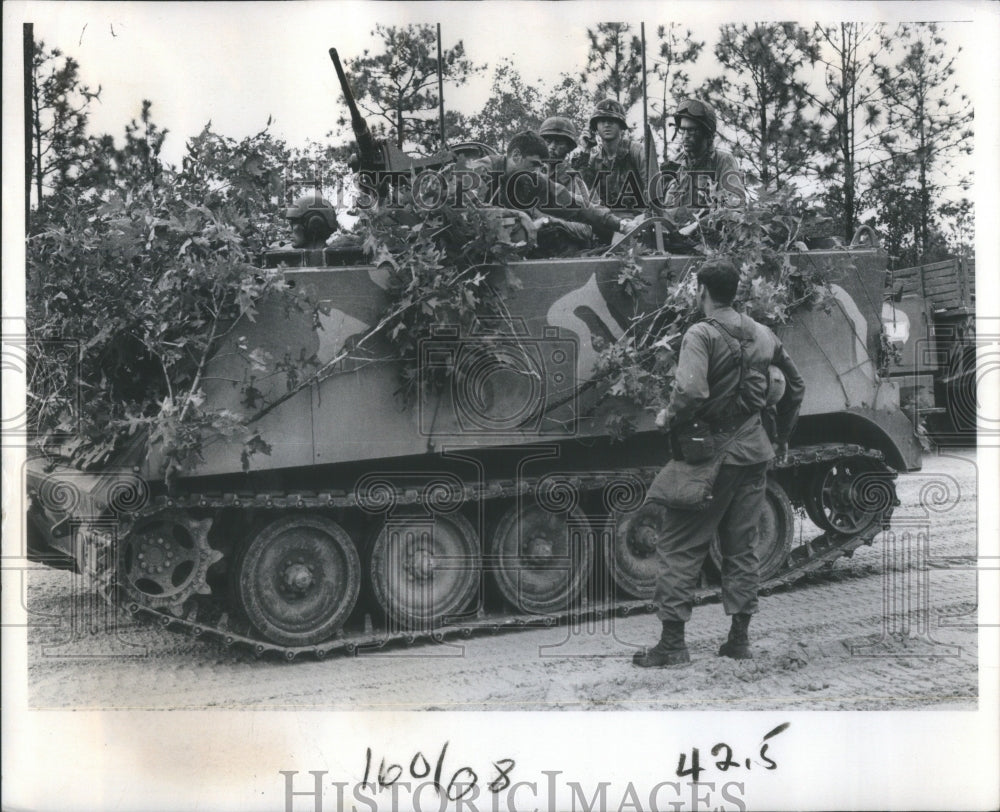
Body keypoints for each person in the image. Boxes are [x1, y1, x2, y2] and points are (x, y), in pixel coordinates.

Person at [633, 256, 805, 668]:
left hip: (709, 456)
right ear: (735, 291)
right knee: (741, 548)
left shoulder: (701, 333)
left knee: (678, 544)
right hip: (755, 451)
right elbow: (795, 385)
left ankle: (673, 645)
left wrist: (667, 415)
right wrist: (780, 436)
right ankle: (738, 641)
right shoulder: (763, 333)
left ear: (702, 292)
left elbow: (691, 392)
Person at [464, 130, 635, 243]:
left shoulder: (532, 177)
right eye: (533, 164)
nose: (538, 171)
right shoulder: (480, 171)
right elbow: (470, 212)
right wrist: (518, 215)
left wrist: (619, 224)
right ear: (516, 156)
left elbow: (574, 202)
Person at [661, 98, 745, 213]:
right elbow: (660, 208)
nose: (685, 136)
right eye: (683, 130)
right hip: (672, 229)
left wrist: (697, 225)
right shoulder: (675, 163)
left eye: (692, 130)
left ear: (706, 133)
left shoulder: (722, 162)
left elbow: (734, 208)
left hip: (707, 229)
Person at [577, 98, 649, 211]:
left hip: (637, 217)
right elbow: (583, 191)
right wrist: (586, 149)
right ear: (594, 128)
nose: (606, 125)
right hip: (607, 220)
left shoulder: (636, 151)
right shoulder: (595, 160)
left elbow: (651, 187)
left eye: (612, 121)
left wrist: (645, 215)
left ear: (621, 125)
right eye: (602, 121)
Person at [538, 116, 598, 204]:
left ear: (568, 148)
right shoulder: (530, 170)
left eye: (559, 142)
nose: (552, 147)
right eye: (548, 141)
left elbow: (591, 207)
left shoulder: (572, 178)